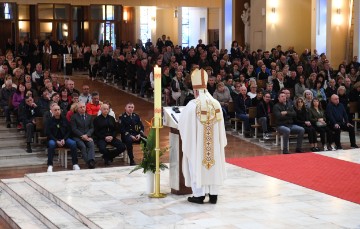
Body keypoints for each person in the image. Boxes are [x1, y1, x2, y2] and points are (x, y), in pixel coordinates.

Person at [178, 68, 227, 204]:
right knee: (213, 164)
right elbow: (222, 128)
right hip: (214, 147)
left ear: (196, 91)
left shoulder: (192, 105)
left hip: (199, 146)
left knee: (196, 163)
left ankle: (199, 195)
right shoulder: (216, 104)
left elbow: (182, 125)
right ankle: (213, 195)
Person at [46, 104, 80, 172]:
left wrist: (64, 139)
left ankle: (75, 164)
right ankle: (50, 165)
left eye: (58, 110)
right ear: (52, 111)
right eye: (55, 110)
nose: (57, 111)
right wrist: (56, 141)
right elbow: (48, 133)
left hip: (64, 139)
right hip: (54, 139)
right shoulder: (49, 121)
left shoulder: (65, 119)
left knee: (73, 143)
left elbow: (69, 131)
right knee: (51, 144)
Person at [71, 102, 96, 169]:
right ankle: (88, 162)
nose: (82, 108)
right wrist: (82, 136)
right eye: (81, 107)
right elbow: (74, 129)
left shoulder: (89, 116)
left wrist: (87, 135)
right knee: (83, 146)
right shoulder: (74, 117)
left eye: (84, 107)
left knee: (91, 144)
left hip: (87, 136)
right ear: (77, 109)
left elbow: (92, 128)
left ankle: (91, 161)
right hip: (78, 137)